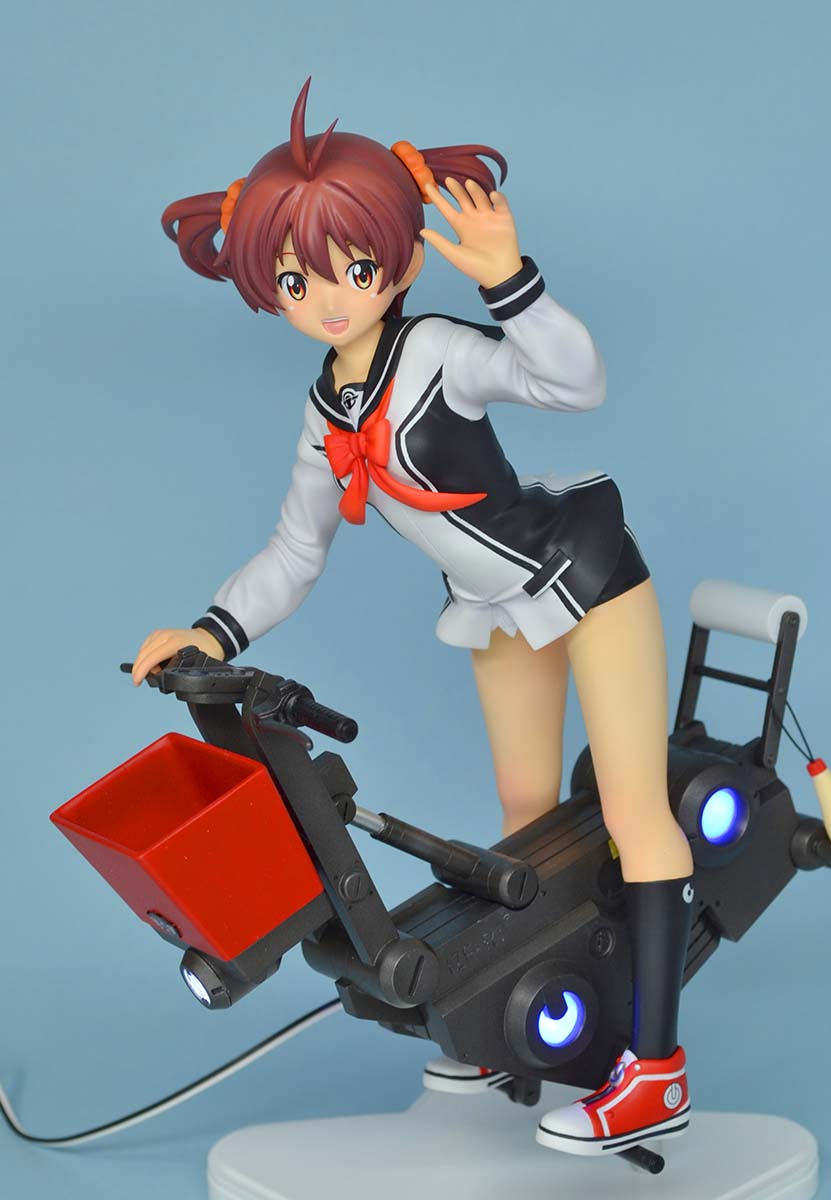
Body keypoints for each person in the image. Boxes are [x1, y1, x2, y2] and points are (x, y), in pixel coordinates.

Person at [131, 79, 695, 1156]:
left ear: (395, 259)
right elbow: (295, 553)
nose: (330, 298)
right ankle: (516, 1014)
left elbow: (574, 385)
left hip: (583, 577)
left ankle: (656, 1073)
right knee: (528, 821)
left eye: (354, 268)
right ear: (268, 289)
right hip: (493, 612)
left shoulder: (434, 349)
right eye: (297, 279)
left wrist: (513, 283)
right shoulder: (325, 408)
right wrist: (209, 633)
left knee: (632, 810)